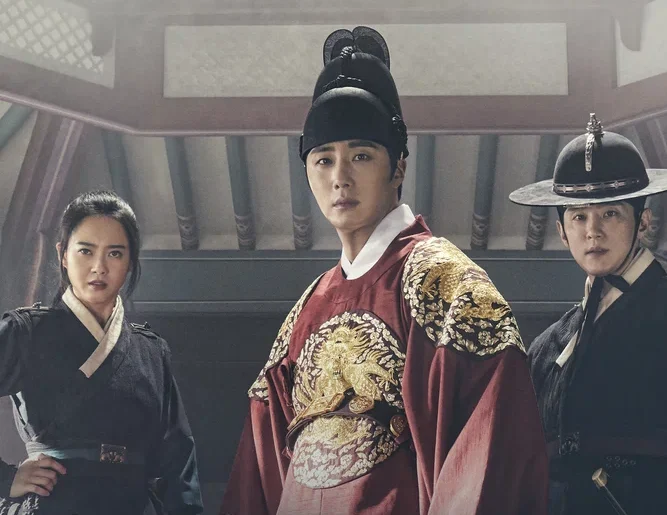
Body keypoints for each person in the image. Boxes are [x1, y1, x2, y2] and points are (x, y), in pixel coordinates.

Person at [220, 26, 547, 515]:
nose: (340, 178)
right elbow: (260, 472)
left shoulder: (446, 285)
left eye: (361, 156)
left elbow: (489, 453)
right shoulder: (306, 311)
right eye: (323, 160)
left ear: (397, 167)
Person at [0, 190, 203, 515]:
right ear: (63, 254)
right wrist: (6, 478)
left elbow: (179, 460)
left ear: (130, 261)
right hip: (54, 504)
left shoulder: (151, 351)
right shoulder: (25, 333)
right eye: (86, 251)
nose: (99, 267)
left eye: (115, 253)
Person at [509, 114, 667, 514]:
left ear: (643, 221)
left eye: (610, 214)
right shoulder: (547, 346)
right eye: (579, 216)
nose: (593, 231)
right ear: (562, 232)